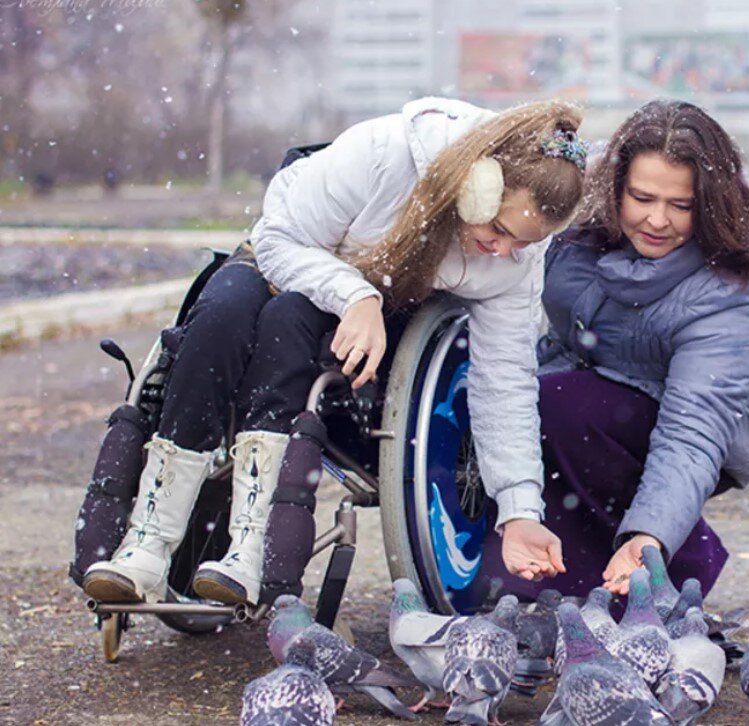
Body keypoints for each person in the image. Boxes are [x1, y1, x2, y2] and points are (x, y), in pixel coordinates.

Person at [74, 97, 586, 605]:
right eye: (497, 229)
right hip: (291, 252)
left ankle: (250, 550)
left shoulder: (515, 260)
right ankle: (148, 542)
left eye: (520, 242)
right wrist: (355, 295)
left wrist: (520, 510)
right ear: (476, 186)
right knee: (219, 318)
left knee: (286, 326)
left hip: (363, 307)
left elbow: (505, 381)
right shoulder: (382, 155)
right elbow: (277, 241)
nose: (502, 251)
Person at [480, 99, 749, 599]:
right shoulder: (580, 215)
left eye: (680, 205)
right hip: (592, 378)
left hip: (710, 428)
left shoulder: (726, 293)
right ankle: (527, 565)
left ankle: (674, 566)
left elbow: (694, 431)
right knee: (496, 395)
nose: (657, 220)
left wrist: (652, 535)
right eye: (642, 197)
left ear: (709, 205)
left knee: (560, 407)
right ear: (614, 187)